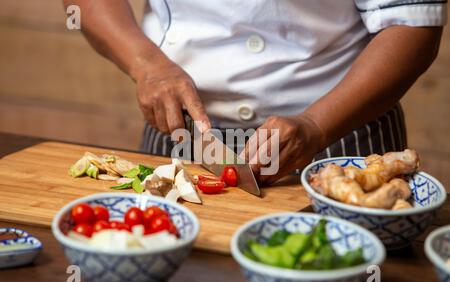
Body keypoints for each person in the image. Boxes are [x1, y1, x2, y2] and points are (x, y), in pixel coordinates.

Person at [65, 0, 446, 184]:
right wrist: (146, 64)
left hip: (345, 137)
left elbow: (412, 22)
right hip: (181, 133)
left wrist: (316, 123)